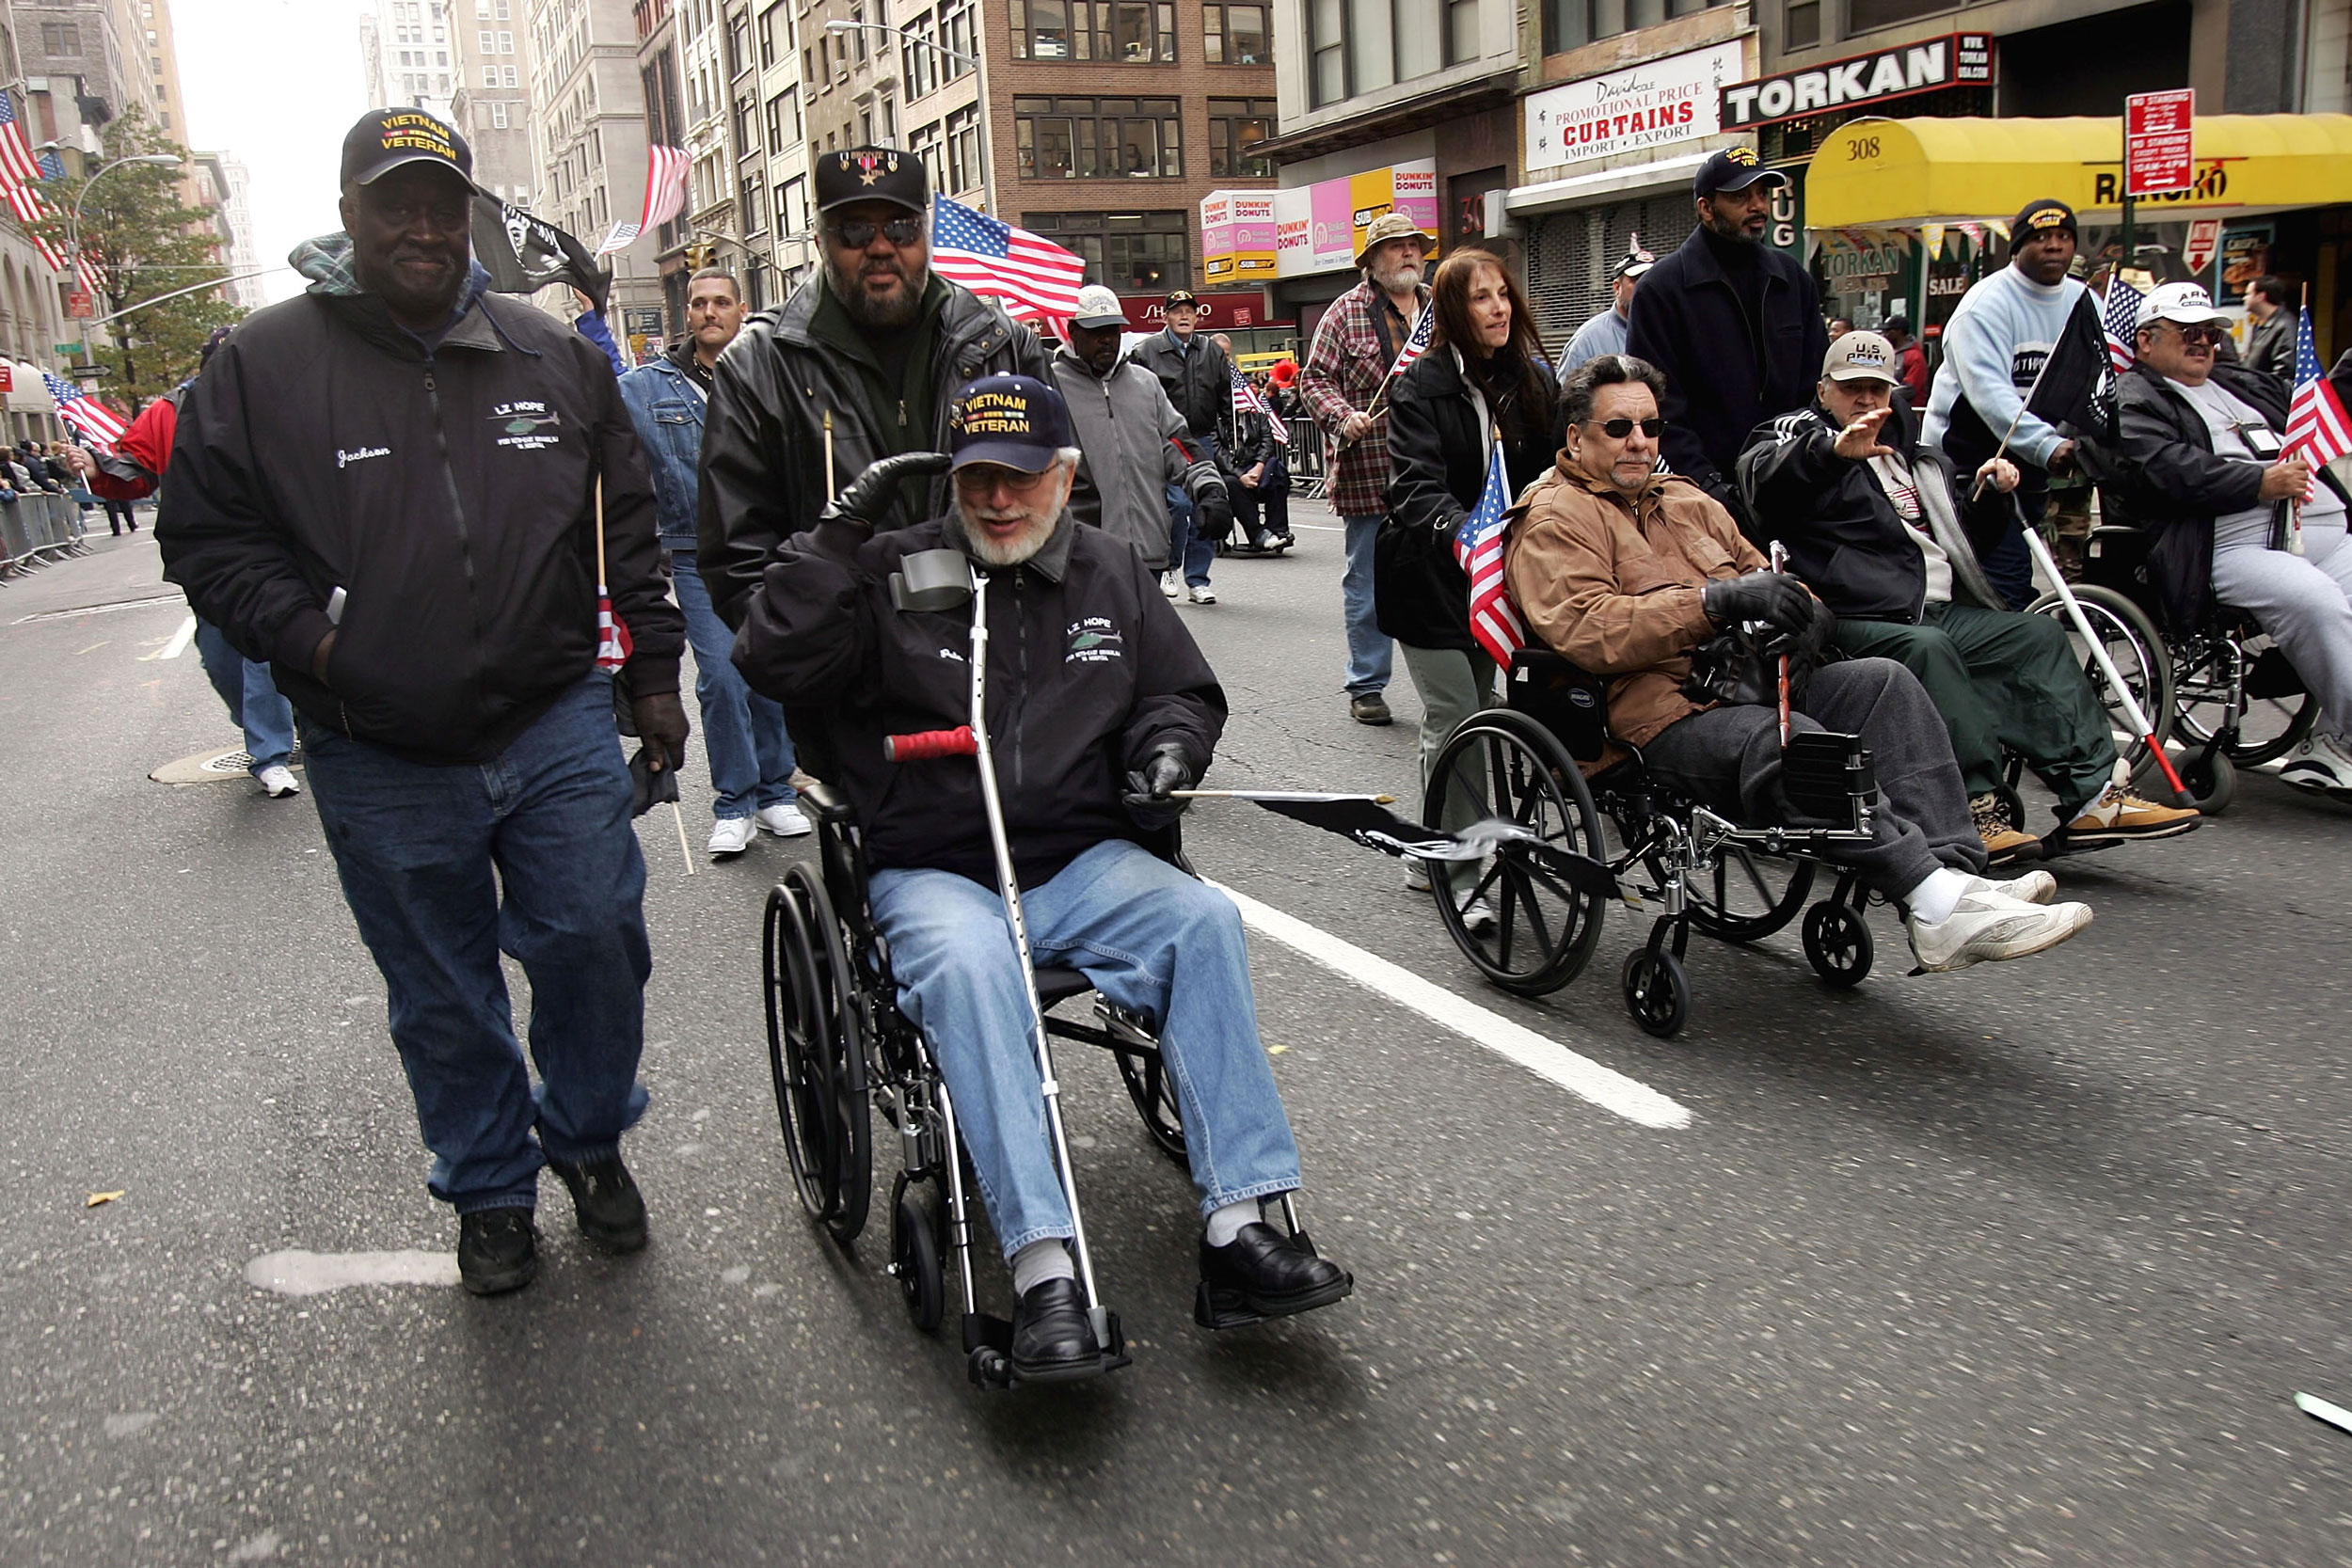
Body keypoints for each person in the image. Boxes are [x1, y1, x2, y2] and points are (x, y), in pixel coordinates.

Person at [157, 108, 689, 1295]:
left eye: (442, 204)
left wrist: (654, 675)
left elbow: (627, 530)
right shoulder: (259, 365)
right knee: (442, 990)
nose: (421, 225)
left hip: (553, 715)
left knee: (597, 936)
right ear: (348, 213)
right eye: (394, 202)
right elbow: (206, 540)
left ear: (469, 218)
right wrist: (324, 646)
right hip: (376, 745)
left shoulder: (552, 356)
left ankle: (590, 1137)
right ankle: (492, 1188)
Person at [733, 374, 1352, 1382]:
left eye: (1022, 478)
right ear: (950, 478)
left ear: (1063, 476)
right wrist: (839, 533)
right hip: (939, 866)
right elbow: (770, 655)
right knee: (973, 969)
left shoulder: (1110, 572)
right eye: (976, 477)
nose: (998, 501)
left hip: (1081, 857)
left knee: (1203, 923)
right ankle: (1043, 1264)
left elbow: (1179, 695)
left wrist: (1168, 753)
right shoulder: (890, 568)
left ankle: (1241, 1223)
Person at [1505, 355, 2094, 973]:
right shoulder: (1553, 516)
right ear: (1576, 436)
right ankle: (1929, 893)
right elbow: (1587, 628)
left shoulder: (1686, 499)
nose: (1640, 442)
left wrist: (1807, 615)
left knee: (1884, 682)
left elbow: (1770, 573)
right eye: (1619, 428)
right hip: (1654, 713)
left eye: (1650, 428)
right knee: (1796, 744)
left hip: (1750, 679)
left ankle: (1953, 879)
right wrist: (1714, 602)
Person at [1740, 331, 2200, 861]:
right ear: (1824, 391)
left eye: (1878, 388)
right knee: (1929, 648)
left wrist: (1984, 498)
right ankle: (1976, 806)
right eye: (1852, 388)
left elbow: (1958, 544)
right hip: (1850, 613)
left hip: (1932, 605)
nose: (1867, 400)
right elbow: (1761, 481)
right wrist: (1831, 453)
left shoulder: (1920, 457)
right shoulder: (1799, 434)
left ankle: (2095, 794)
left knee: (2036, 635)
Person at [696, 146, 1049, 632]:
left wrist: (1034, 634)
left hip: (994, 650)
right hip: (844, 668)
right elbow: (736, 559)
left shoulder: (1002, 344)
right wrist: (807, 645)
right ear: (821, 242)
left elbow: (1070, 500)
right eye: (856, 230)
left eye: (900, 228)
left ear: (925, 235)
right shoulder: (759, 364)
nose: (881, 247)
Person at [2096, 281, 2352, 796]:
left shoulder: (2240, 382)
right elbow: (2165, 468)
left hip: (2315, 526)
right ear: (2146, 341)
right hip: (2223, 543)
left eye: (2212, 333)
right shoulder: (2133, 397)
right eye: (2188, 332)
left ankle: (2332, 741)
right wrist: (2257, 482)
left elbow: (2322, 398)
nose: (2203, 343)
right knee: (2318, 602)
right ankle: (2345, 736)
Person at [1383, 248, 1561, 926]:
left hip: (1500, 571)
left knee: (1475, 712)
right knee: (1458, 712)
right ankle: (1460, 868)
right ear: (1454, 312)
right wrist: (1461, 530)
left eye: (1503, 295)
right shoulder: (1419, 385)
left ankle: (1425, 848)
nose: (1498, 308)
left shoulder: (1532, 380)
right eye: (1481, 298)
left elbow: (1553, 466)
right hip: (1428, 573)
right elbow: (1413, 485)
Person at [618, 266, 811, 860]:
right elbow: (616, 458)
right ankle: (734, 801)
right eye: (699, 303)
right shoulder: (645, 388)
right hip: (694, 552)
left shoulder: (772, 375)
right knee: (723, 676)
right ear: (689, 315)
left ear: (740, 308)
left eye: (721, 302)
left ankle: (777, 789)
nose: (709, 312)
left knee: (770, 667)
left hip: (767, 548)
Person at [64, 325, 304, 800]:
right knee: (220, 657)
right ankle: (271, 725)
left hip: (276, 548)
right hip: (207, 556)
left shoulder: (280, 400)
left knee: (261, 653)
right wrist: (96, 467)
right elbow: (133, 470)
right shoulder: (169, 413)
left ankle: (271, 753)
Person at [1624, 149, 1827, 530]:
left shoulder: (1792, 280)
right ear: (1705, 207)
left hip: (1794, 488)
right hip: (1704, 503)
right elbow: (1659, 410)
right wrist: (1713, 492)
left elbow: (1815, 389)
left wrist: (1807, 462)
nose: (1758, 206)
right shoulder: (1662, 290)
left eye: (1763, 195)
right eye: (1740, 197)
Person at [1300, 211, 1436, 726]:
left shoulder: (1438, 310)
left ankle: (1445, 689)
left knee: (1440, 583)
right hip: (1370, 472)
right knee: (1369, 585)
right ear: (1371, 261)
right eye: (1395, 247)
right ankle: (1367, 685)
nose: (1407, 253)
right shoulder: (1344, 313)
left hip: (1433, 471)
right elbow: (1313, 382)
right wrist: (1343, 417)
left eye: (1413, 246)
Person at [1920, 199, 2090, 610]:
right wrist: (2049, 446)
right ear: (2017, 248)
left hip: (2035, 467)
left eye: (2063, 237)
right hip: (1970, 464)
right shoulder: (1986, 305)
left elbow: (2099, 379)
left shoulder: (2084, 303)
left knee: (2021, 579)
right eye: (2041, 237)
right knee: (2003, 584)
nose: (2053, 246)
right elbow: (1990, 397)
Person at [1047, 282, 1233, 574]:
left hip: (1149, 555)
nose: (1107, 339)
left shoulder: (1145, 384)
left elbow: (1181, 445)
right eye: (1096, 332)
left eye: (1113, 330)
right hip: (1082, 558)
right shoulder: (1050, 387)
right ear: (1073, 332)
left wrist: (1210, 489)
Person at [1132, 293, 1243, 604]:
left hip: (1202, 438)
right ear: (1164, 316)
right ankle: (1168, 565)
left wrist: (1228, 439)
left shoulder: (1210, 351)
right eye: (1177, 311)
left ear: (1197, 317)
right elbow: (1134, 395)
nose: (1184, 316)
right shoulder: (1146, 352)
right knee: (1176, 506)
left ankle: (1198, 579)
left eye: (1189, 312)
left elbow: (1225, 397)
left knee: (1204, 506)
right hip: (1165, 439)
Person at [1558, 240, 1653, 372]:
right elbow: (1567, 391)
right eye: (1637, 280)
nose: (1644, 287)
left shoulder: (1671, 330)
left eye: (1650, 280)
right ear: (1617, 287)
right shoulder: (1587, 341)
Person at [2241, 276, 2296, 388]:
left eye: (2248, 294)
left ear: (2261, 296)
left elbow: (2284, 372)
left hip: (2265, 397)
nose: (2244, 298)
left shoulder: (2286, 325)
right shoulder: (2260, 324)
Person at [1883, 316, 1931, 404]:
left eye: (1889, 331)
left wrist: (1881, 394)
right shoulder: (1888, 352)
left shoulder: (1915, 357)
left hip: (1908, 410)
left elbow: (1909, 388)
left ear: (1899, 331)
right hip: (1890, 407)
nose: (1885, 334)